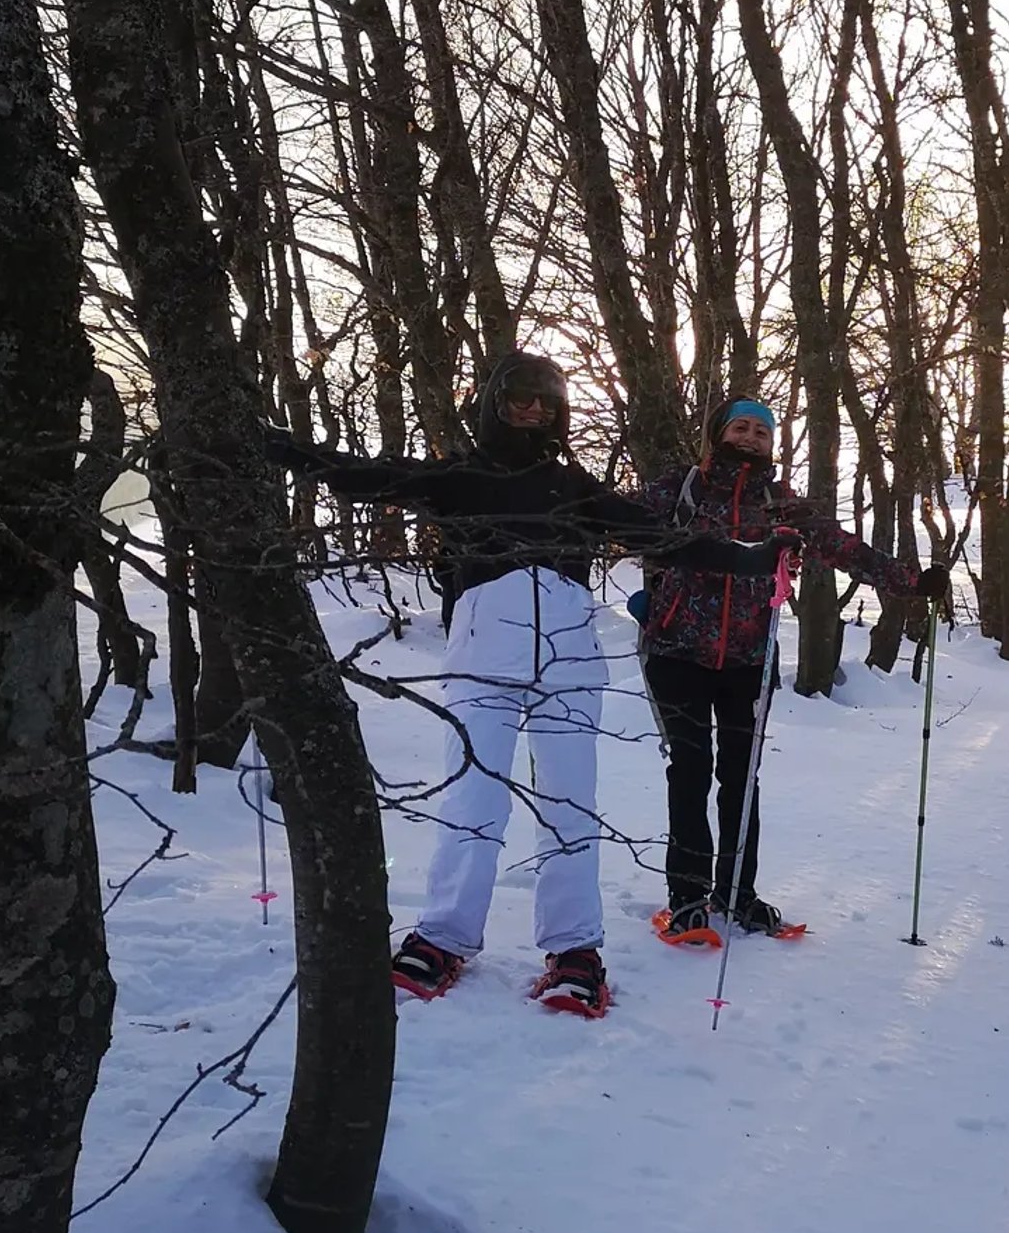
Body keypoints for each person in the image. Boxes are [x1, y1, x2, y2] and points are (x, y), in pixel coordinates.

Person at [263, 353, 785, 1014]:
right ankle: (443, 938)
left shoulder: (574, 485)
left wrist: (750, 555)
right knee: (473, 796)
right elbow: (368, 476)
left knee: (570, 803)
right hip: (484, 648)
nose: (534, 410)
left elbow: (663, 536)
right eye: (520, 398)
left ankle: (576, 951)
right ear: (495, 401)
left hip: (568, 652)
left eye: (546, 400)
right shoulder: (461, 475)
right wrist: (281, 448)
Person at [637, 397, 949, 937]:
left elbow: (846, 548)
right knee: (688, 773)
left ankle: (737, 894)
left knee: (741, 778)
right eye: (742, 426)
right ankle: (687, 897)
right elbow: (625, 525)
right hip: (676, 653)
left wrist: (912, 581)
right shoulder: (680, 488)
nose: (753, 437)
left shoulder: (782, 505)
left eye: (763, 430)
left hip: (750, 662)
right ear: (719, 433)